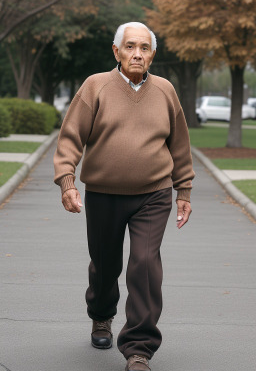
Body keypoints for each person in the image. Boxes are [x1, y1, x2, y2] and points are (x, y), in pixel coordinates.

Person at [53, 22, 195, 371]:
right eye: (130, 46)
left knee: (145, 265)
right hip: (103, 193)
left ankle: (139, 349)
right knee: (105, 264)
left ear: (153, 55)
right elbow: (71, 137)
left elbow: (179, 144)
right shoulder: (95, 86)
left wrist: (184, 189)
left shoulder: (165, 90)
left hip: (154, 194)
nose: (137, 54)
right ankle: (101, 315)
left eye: (144, 48)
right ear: (115, 51)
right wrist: (67, 181)